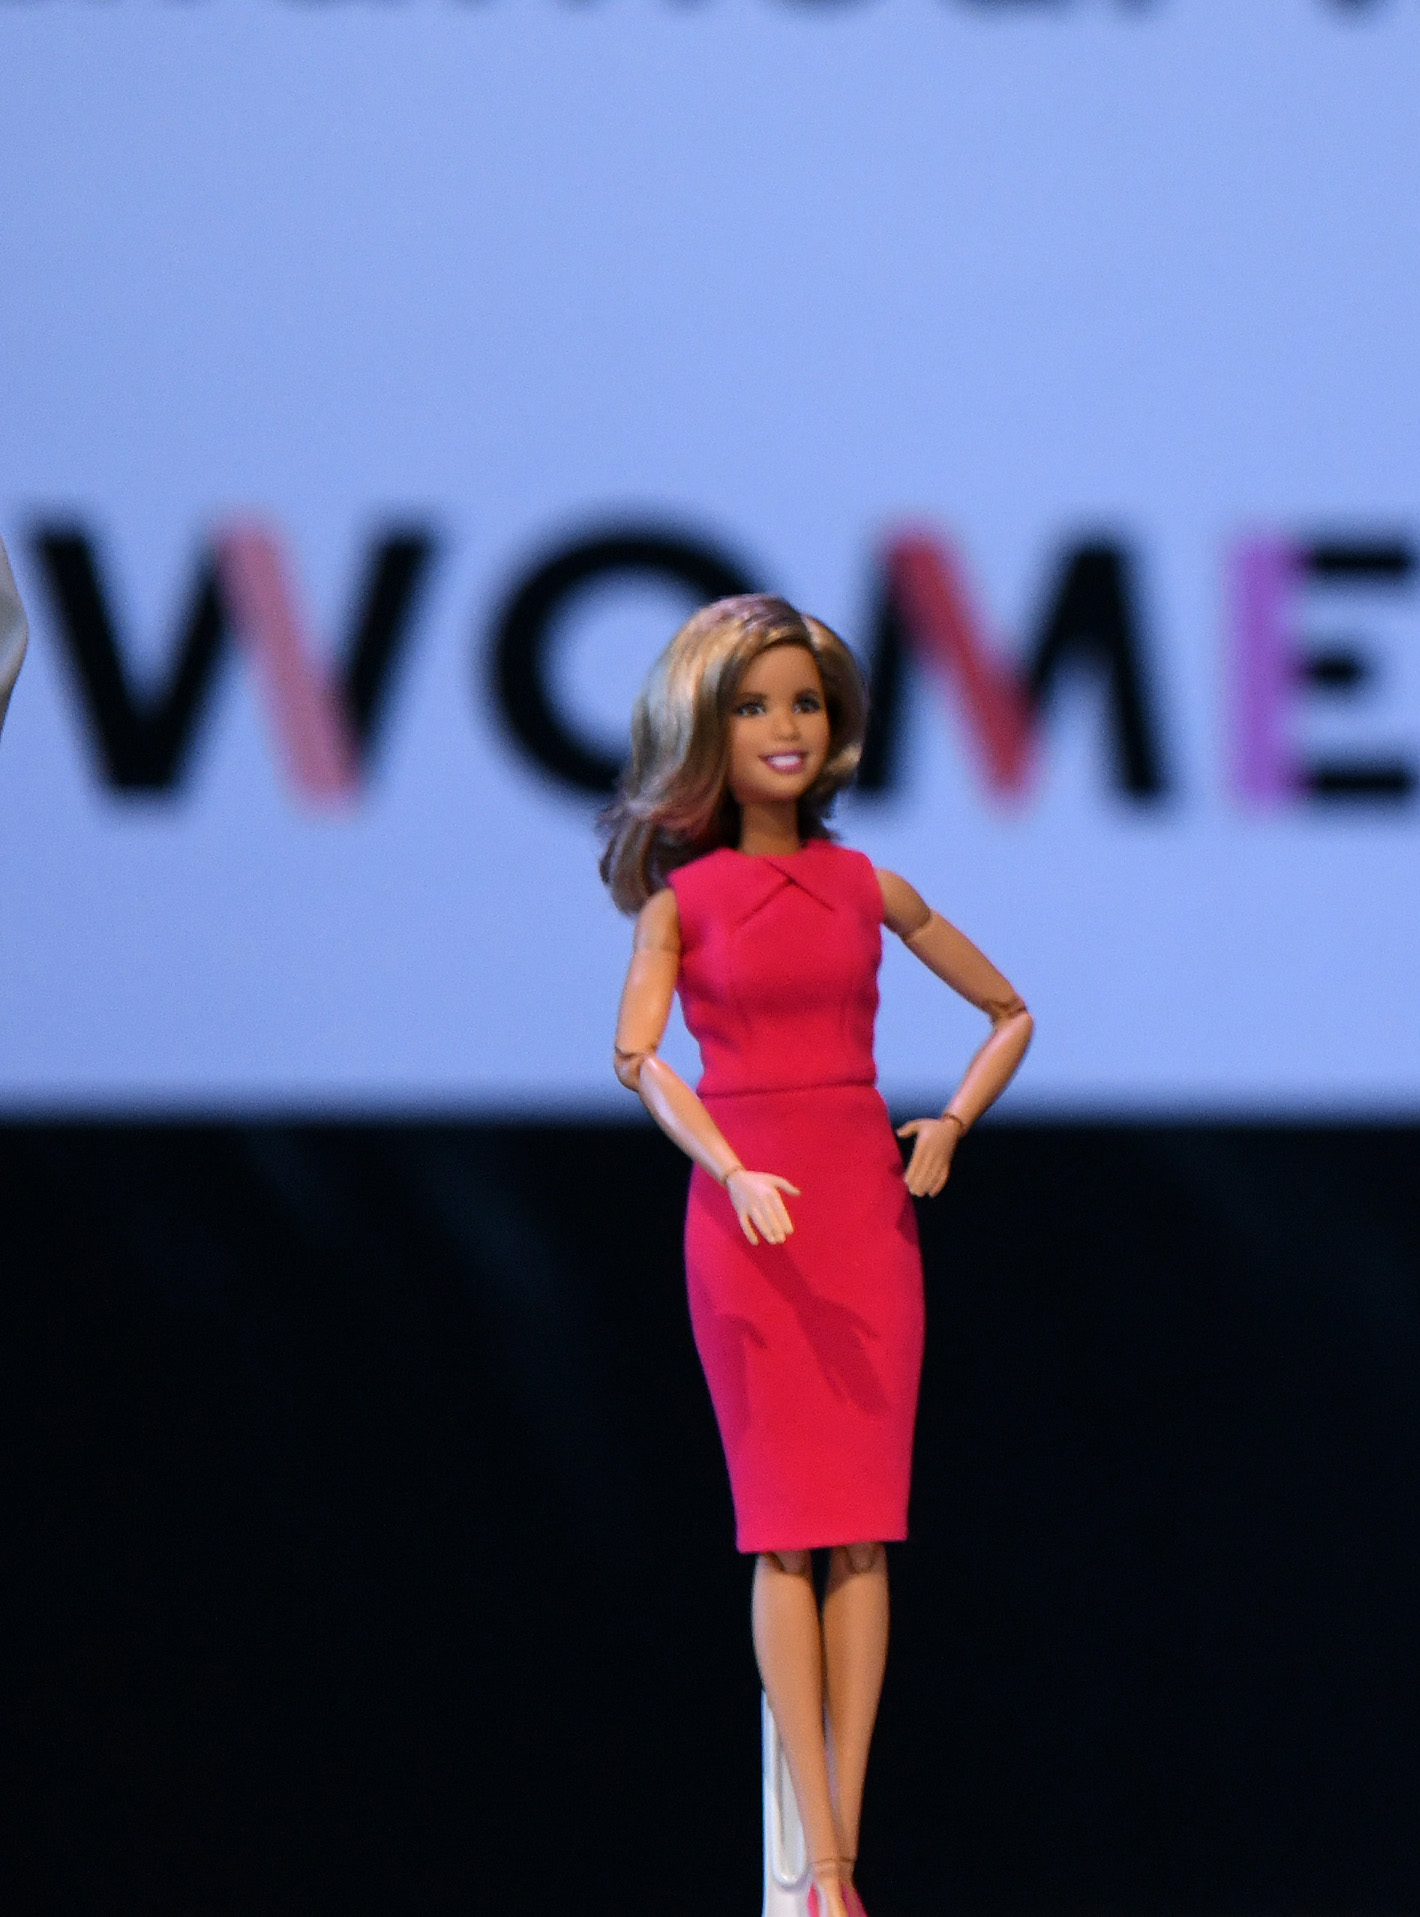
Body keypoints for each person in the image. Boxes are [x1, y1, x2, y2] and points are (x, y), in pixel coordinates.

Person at [601, 595, 1034, 1917]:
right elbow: (636, 1057)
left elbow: (1009, 1010)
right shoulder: (687, 901)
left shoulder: (866, 886)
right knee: (783, 1536)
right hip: (751, 1219)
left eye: (799, 702)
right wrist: (728, 1165)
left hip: (860, 1206)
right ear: (704, 730)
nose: (782, 728)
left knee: (863, 1537)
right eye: (751, 706)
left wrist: (951, 1122)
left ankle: (842, 1848)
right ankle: (822, 1862)